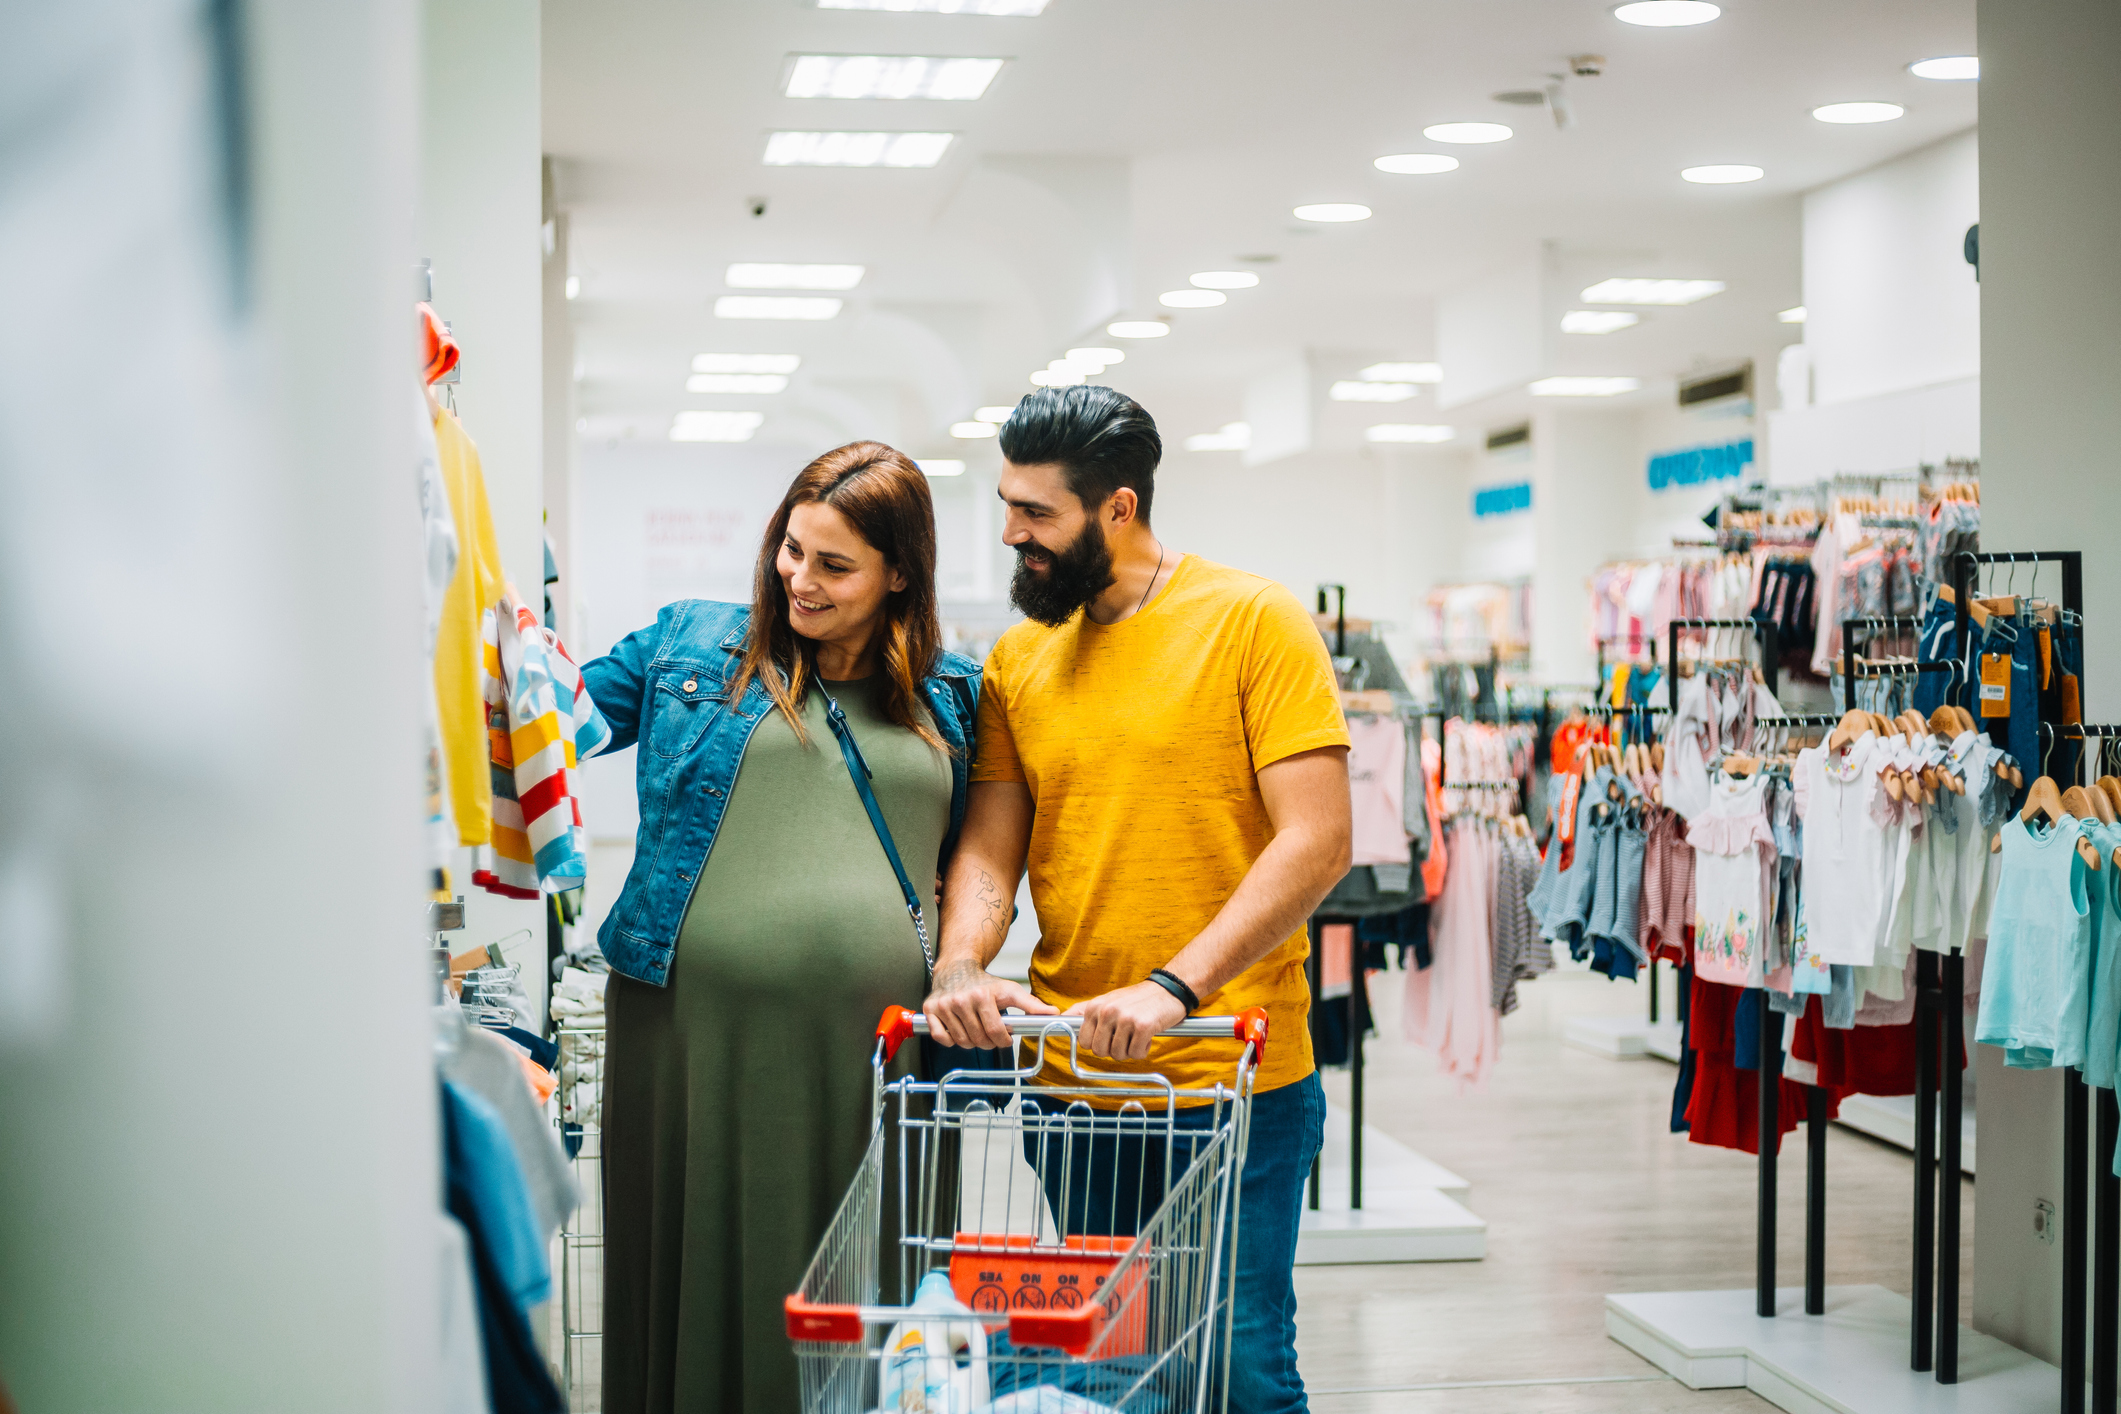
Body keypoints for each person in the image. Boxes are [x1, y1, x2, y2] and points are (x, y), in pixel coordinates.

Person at [921, 385, 1354, 1414]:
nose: (1013, 536)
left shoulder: (1253, 622)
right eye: (1008, 507)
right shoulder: (1020, 659)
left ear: (1117, 509)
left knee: (1242, 1366)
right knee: (1113, 1372)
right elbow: (992, 844)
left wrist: (1175, 985)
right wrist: (960, 963)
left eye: (1037, 515)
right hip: (1076, 1081)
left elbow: (1320, 837)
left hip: (1235, 1076)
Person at [582, 442, 981, 1414]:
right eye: (790, 550)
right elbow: (548, 715)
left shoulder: (958, 692)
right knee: (700, 1258)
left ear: (901, 574)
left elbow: (979, 865)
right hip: (690, 1042)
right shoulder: (689, 647)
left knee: (865, 1290)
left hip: (876, 1054)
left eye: (834, 565)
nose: (799, 579)